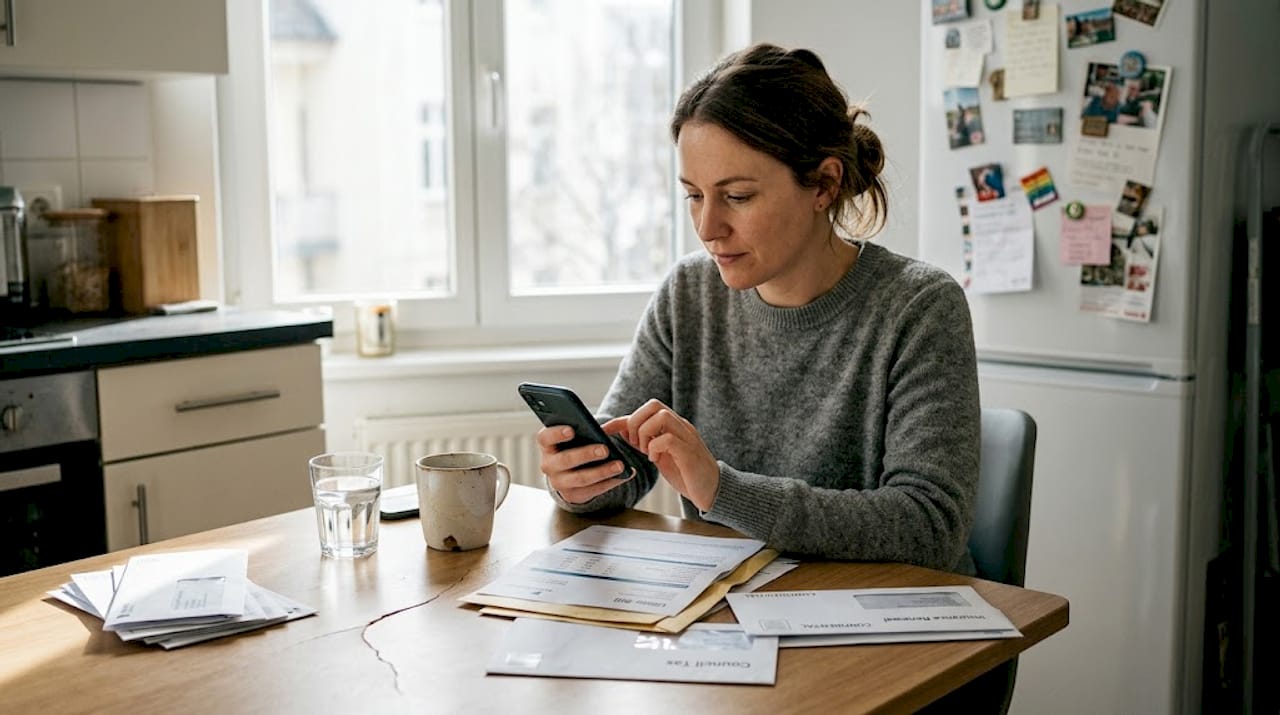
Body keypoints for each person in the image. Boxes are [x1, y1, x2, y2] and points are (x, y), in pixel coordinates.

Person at [536, 43, 981, 573]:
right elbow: (623, 463)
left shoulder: (919, 306)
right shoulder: (688, 293)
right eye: (694, 196)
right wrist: (581, 479)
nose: (707, 229)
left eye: (738, 197)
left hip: (883, 636)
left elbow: (929, 526)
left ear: (824, 184)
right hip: (728, 621)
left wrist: (724, 491)